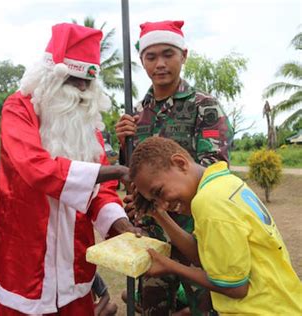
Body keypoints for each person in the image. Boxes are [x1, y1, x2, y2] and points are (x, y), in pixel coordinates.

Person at [0, 23, 138, 315]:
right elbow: (36, 169)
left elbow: (102, 192)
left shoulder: (86, 123)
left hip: (75, 267)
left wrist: (121, 228)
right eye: (74, 80)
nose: (82, 90)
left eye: (88, 82)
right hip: (24, 264)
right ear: (50, 75)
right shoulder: (18, 109)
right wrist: (117, 171)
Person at [115, 20, 233, 315]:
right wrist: (122, 146)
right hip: (152, 235)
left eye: (168, 54)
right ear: (141, 61)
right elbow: (131, 178)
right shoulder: (136, 115)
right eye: (151, 57)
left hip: (198, 234)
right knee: (154, 309)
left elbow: (213, 170)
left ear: (184, 55)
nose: (160, 64)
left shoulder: (203, 107)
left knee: (205, 308)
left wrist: (164, 202)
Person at [128, 136, 301, 315]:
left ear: (180, 163)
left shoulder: (209, 201)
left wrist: (171, 266)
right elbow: (204, 258)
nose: (162, 204)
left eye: (159, 192)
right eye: (154, 200)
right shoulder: (225, 183)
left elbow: (236, 288)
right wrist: (159, 215)